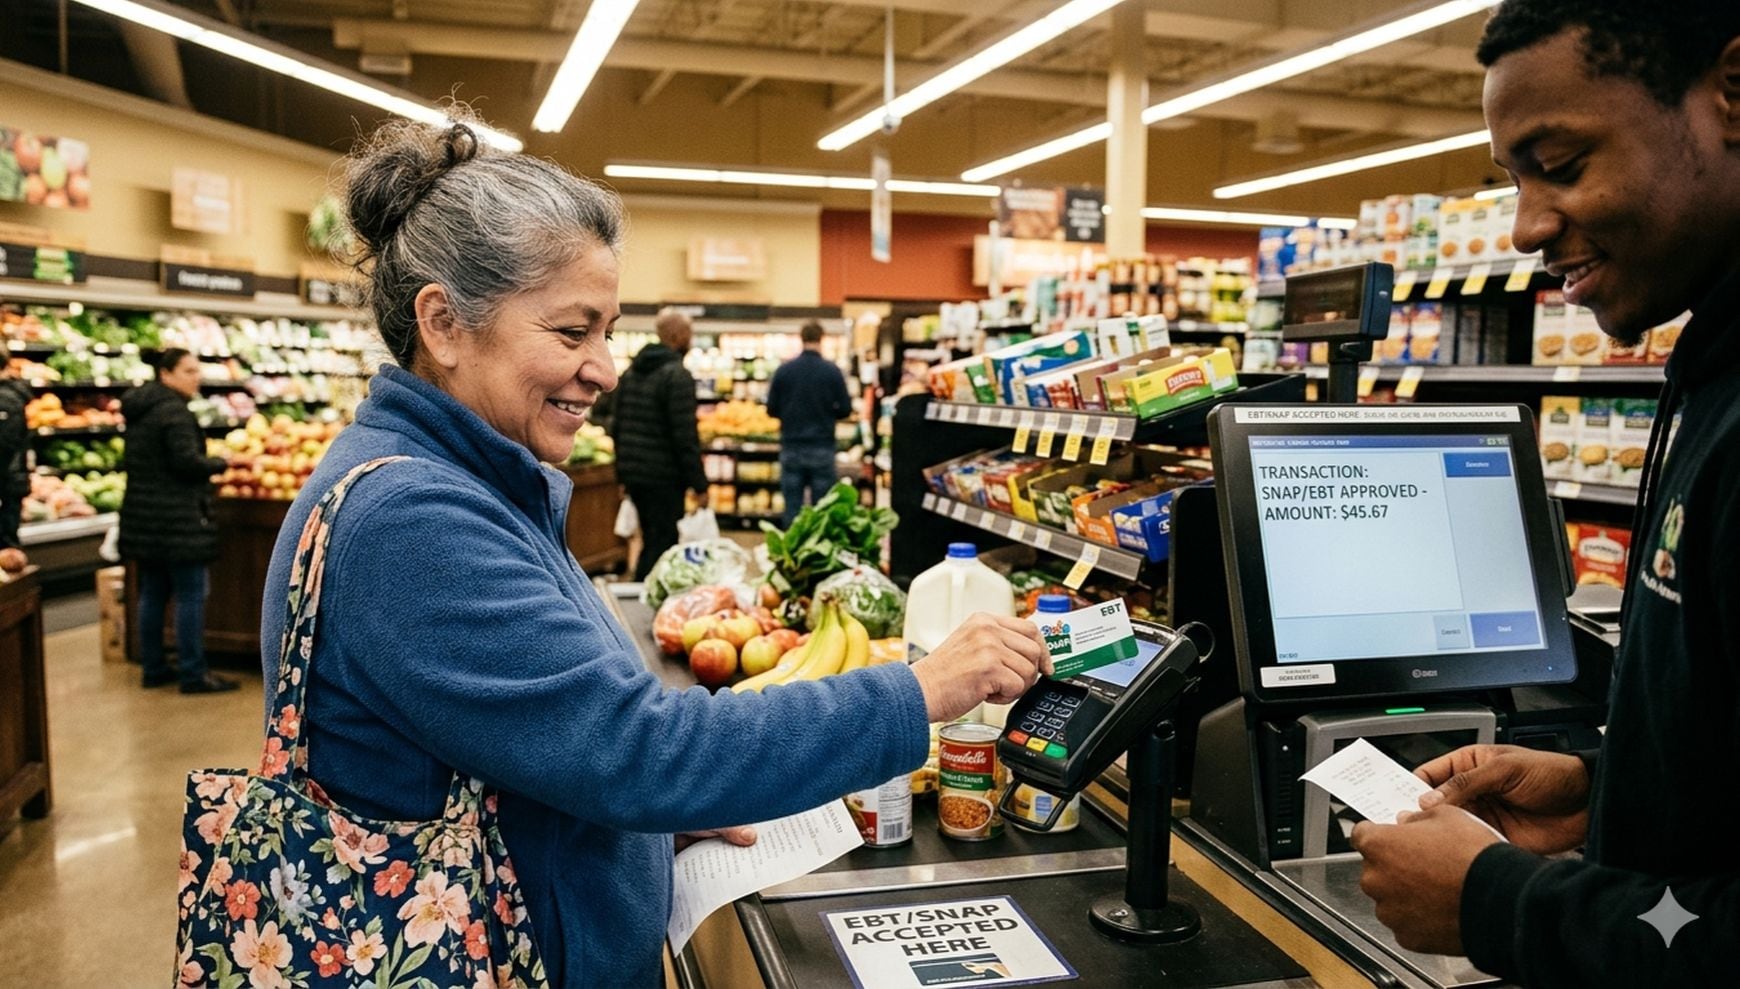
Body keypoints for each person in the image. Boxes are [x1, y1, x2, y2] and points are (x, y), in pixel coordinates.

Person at [259, 118, 1051, 988]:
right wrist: (919, 689)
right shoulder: (412, 520)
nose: (602, 367)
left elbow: (527, 750)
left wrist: (639, 830)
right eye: (571, 332)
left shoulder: (466, 478)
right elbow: (636, 746)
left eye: (609, 331)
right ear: (444, 323)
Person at [1348, 3, 1740, 984]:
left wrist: (1500, 901)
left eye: (1559, 163)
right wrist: (1605, 792)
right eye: (1511, 179)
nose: (1525, 224)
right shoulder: (1712, 374)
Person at [121, 348, 234, 693]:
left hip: (144, 516)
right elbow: (186, 463)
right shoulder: (174, 413)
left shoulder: (140, 410)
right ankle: (193, 672)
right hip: (177, 518)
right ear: (165, 374)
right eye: (188, 371)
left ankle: (153, 667)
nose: (195, 377)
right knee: (191, 594)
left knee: (152, 592)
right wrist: (219, 463)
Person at [609, 307, 706, 580]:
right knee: (662, 542)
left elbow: (617, 425)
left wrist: (623, 474)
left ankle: (642, 589)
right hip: (664, 476)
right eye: (689, 334)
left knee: (650, 535)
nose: (691, 340)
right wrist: (699, 484)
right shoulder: (677, 375)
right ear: (676, 336)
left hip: (635, 474)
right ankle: (645, 595)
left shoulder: (631, 372)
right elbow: (685, 436)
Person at [767, 319, 852, 524]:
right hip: (822, 447)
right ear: (821, 339)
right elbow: (845, 410)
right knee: (822, 510)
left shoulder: (784, 371)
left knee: (793, 509)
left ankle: (792, 553)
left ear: (801, 338)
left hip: (792, 447)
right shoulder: (832, 371)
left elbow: (771, 409)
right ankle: (816, 553)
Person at [0, 342, 32, 549]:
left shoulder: (5, 400)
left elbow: (4, 446)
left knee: (6, 549)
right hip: (9, 484)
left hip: (6, 486)